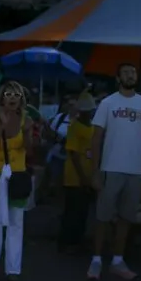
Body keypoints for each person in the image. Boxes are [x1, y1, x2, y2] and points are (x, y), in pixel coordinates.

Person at [88, 63, 141, 281]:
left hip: (135, 170)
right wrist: (95, 172)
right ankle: (96, 260)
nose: (131, 75)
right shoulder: (108, 103)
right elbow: (96, 138)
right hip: (110, 168)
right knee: (102, 218)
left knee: (126, 219)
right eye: (126, 72)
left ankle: (118, 260)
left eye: (133, 71)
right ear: (118, 78)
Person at [0, 80, 33, 281]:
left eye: (16, 94)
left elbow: (29, 149)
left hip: (18, 174)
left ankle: (13, 269)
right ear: (2, 98)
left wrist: (29, 132)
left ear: (21, 99)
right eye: (8, 94)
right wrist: (3, 124)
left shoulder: (26, 120)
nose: (12, 98)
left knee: (16, 222)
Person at [58, 92, 96, 254]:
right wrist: (83, 177)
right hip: (74, 176)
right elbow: (73, 154)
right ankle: (66, 242)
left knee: (83, 211)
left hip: (88, 174)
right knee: (72, 210)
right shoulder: (74, 127)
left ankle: (78, 240)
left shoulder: (93, 128)